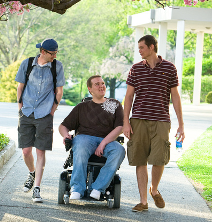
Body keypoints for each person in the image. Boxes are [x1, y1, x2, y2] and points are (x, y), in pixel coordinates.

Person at [123, 35, 185, 212]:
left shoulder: (169, 68)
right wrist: (126, 122)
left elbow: (175, 97)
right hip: (139, 120)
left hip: (161, 120)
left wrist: (181, 124)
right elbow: (128, 97)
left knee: (159, 159)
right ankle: (143, 201)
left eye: (142, 47)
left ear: (151, 47)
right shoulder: (136, 69)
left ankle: (154, 190)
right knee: (140, 159)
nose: (139, 50)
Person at [59, 75, 125, 200]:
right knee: (81, 144)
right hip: (85, 138)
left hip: (107, 140)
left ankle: (98, 188)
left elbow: (120, 127)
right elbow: (63, 126)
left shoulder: (114, 104)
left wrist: (103, 143)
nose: (101, 86)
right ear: (90, 89)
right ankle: (77, 188)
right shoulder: (82, 107)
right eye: (97, 84)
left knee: (119, 150)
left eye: (103, 83)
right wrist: (65, 134)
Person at [15, 38, 65, 203]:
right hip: (27, 111)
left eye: (56, 52)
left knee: (40, 151)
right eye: (52, 53)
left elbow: (59, 91)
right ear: (43, 52)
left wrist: (51, 112)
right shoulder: (27, 64)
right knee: (26, 151)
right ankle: (32, 172)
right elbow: (20, 86)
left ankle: (37, 188)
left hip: (44, 114)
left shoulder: (57, 66)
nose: (55, 55)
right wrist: (20, 108)